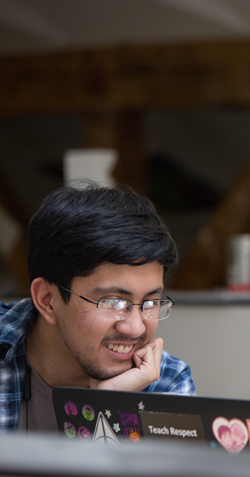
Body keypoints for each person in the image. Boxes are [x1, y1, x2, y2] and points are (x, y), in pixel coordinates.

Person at [0, 184, 195, 434]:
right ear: (48, 299)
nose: (135, 328)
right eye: (113, 302)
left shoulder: (166, 382)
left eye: (150, 303)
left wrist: (110, 404)